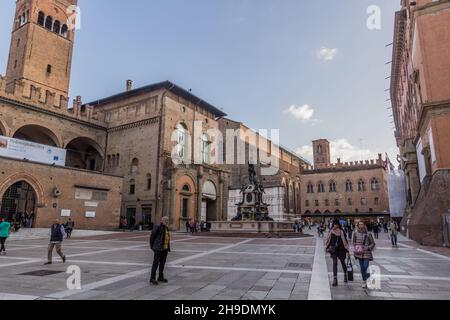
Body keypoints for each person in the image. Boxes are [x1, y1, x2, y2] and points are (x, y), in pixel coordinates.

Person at [326, 219, 349, 286]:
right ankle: (335, 279)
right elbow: (329, 240)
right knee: (334, 262)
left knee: (342, 262)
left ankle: (345, 275)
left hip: (341, 250)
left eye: (336, 224)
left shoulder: (342, 232)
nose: (335, 225)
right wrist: (327, 247)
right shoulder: (331, 231)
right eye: (334, 224)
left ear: (338, 224)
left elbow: (345, 241)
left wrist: (347, 249)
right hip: (334, 250)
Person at [352, 221, 375, 288]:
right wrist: (356, 247)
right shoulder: (355, 233)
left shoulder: (368, 234)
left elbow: (373, 243)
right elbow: (353, 242)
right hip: (359, 253)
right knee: (362, 268)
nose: (361, 225)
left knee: (366, 266)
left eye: (362, 224)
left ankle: (367, 277)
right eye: (360, 224)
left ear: (364, 225)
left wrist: (368, 247)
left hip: (366, 253)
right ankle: (364, 280)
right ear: (358, 225)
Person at [149, 216, 171, 285]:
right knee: (155, 263)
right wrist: (152, 246)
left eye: (167, 220)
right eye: (165, 220)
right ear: (161, 221)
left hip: (165, 249)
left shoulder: (166, 228)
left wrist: (167, 248)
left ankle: (160, 277)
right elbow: (152, 236)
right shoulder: (157, 226)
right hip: (158, 248)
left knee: (162, 263)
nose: (166, 221)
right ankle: (152, 278)